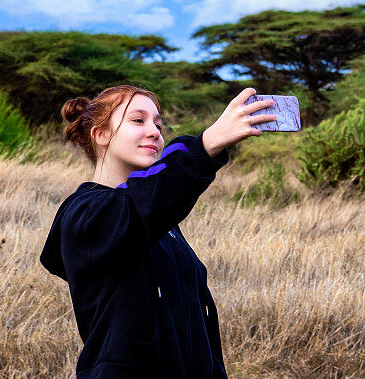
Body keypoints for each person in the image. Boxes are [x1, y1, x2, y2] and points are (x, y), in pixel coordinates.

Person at [40, 84, 276, 378]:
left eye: (158, 124)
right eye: (138, 120)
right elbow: (145, 203)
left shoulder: (162, 228)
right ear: (101, 135)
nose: (154, 132)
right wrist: (207, 144)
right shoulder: (84, 214)